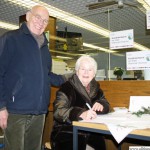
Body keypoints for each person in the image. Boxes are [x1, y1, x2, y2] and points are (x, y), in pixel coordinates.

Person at [0, 5, 66, 150]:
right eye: (38, 17)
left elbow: (47, 75)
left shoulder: (44, 48)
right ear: (28, 16)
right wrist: (1, 107)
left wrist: (68, 78)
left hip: (39, 112)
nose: (41, 22)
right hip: (15, 110)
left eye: (45, 21)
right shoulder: (11, 39)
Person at [51, 55, 110, 150]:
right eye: (83, 69)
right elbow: (58, 111)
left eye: (90, 70)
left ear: (94, 73)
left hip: (92, 133)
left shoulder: (97, 88)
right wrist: (79, 113)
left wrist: (102, 105)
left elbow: (106, 103)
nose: (86, 72)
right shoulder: (66, 88)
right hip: (67, 132)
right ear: (77, 71)